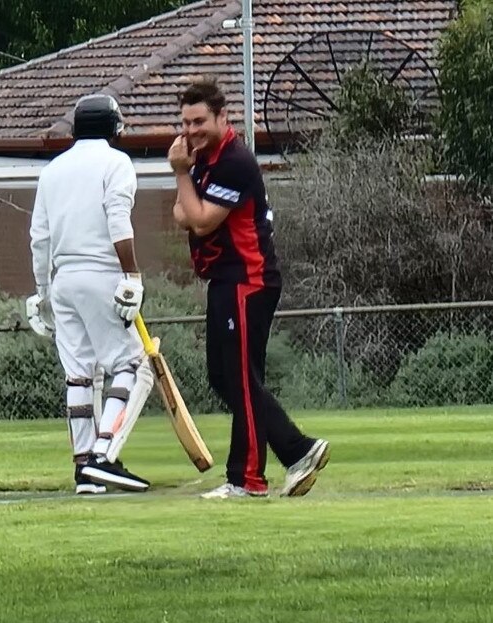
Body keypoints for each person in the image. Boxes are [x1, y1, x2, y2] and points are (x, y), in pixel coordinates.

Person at [168, 78, 330, 499]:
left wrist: (182, 174)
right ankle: (264, 469)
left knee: (239, 379)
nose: (190, 131)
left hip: (247, 279)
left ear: (223, 117)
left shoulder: (234, 161)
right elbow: (180, 214)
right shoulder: (203, 160)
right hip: (225, 279)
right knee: (225, 378)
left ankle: (281, 459)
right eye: (184, 122)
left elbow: (200, 220)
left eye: (199, 121)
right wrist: (188, 182)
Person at [29, 93, 152, 495]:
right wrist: (131, 274)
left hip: (63, 281)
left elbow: (39, 238)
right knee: (130, 365)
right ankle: (103, 456)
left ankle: (84, 467)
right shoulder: (116, 163)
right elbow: (118, 220)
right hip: (101, 275)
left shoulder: (53, 170)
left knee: (79, 374)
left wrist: (43, 292)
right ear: (113, 127)